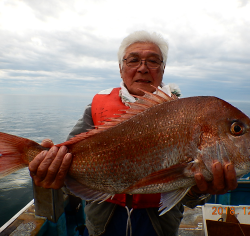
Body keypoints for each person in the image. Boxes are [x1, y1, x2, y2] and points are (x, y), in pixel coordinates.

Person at [29, 31, 238, 236]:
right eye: (133, 60)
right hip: (103, 222)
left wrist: (199, 190)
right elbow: (67, 160)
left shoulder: (186, 115)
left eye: (153, 61)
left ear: (163, 70)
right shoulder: (95, 108)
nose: (143, 68)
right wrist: (50, 166)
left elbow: (189, 195)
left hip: (158, 226)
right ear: (121, 69)